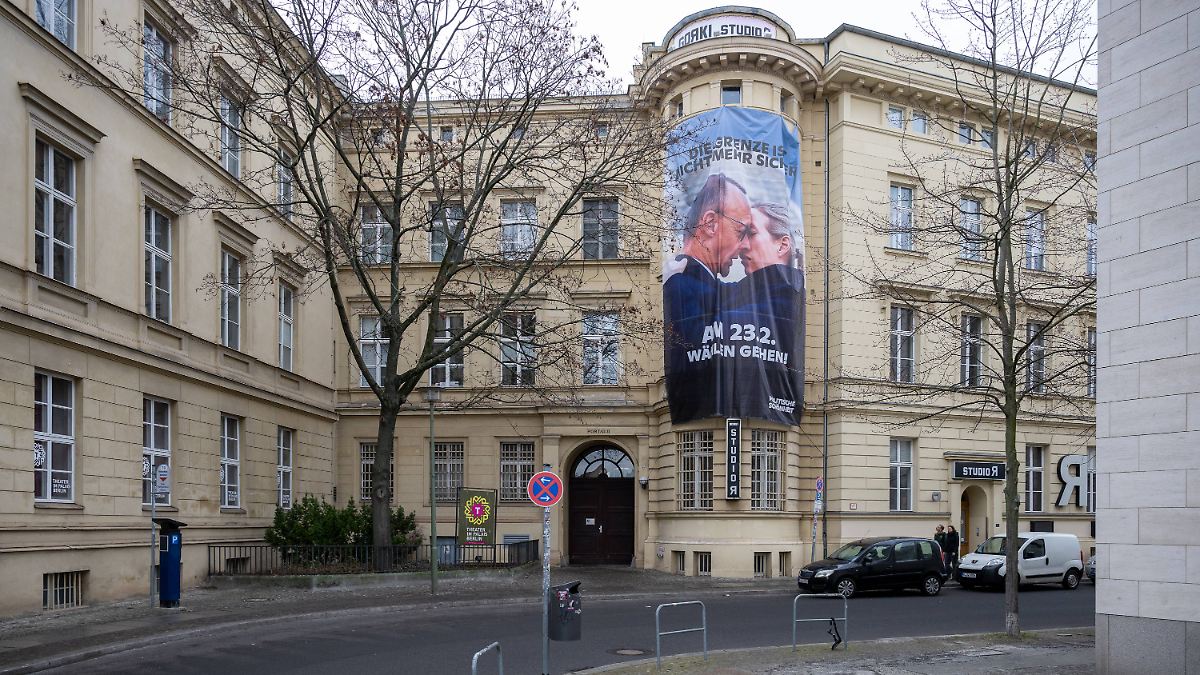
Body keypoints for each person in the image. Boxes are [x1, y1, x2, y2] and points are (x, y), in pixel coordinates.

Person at [663, 173, 752, 424]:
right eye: (741, 231)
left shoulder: (691, 279)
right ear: (710, 223)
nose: (745, 246)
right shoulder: (683, 285)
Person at [722, 203, 804, 423]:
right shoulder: (745, 289)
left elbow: (714, 320)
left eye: (752, 234)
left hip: (765, 395)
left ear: (782, 245)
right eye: (741, 236)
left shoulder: (786, 294)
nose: (742, 246)